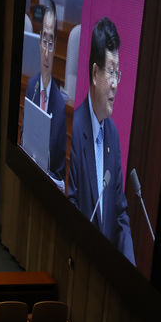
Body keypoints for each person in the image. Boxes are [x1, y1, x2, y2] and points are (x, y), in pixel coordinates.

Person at [68, 17, 135, 265]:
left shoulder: (113, 136)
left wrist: (131, 269)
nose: (116, 84)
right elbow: (70, 204)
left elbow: (119, 213)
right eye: (111, 71)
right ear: (95, 74)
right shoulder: (75, 128)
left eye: (118, 72)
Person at [22, 1, 67, 185]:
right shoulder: (31, 86)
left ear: (55, 46)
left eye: (51, 43)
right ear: (39, 40)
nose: (47, 52)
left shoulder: (60, 106)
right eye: (44, 41)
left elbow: (60, 175)